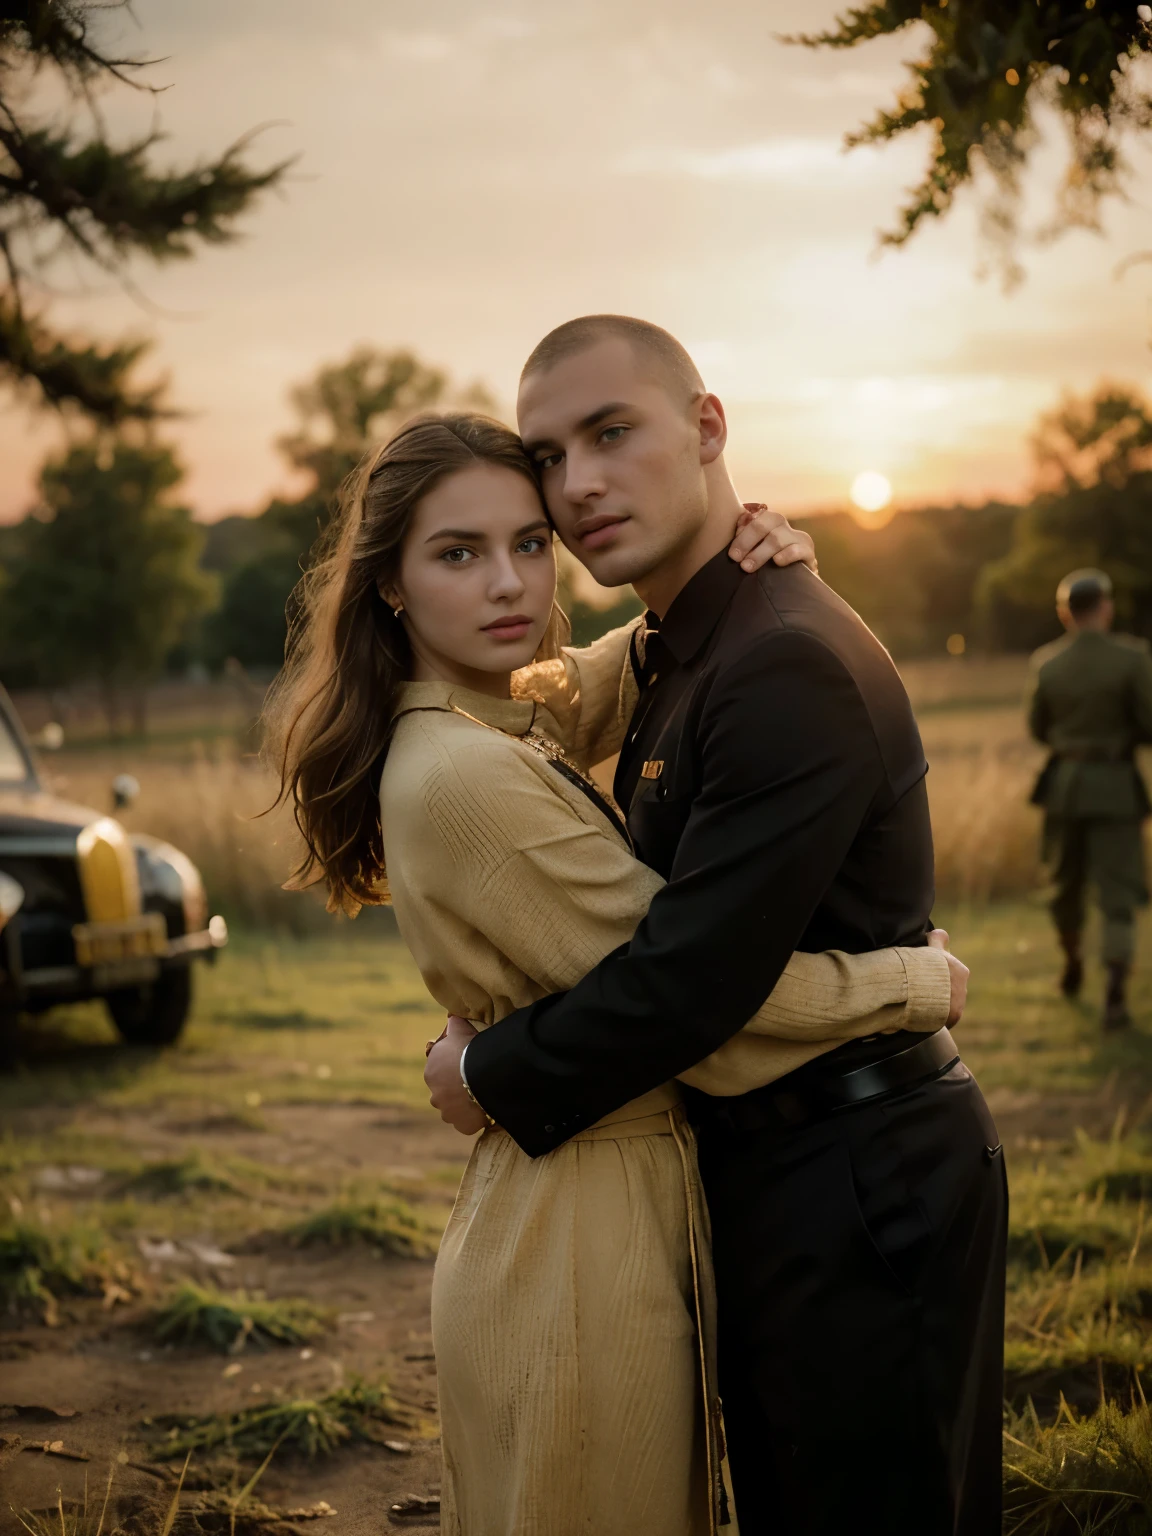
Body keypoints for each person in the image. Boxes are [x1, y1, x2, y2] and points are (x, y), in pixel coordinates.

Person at [267, 410, 966, 1536]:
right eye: (458, 554)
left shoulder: (494, 717)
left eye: (531, 544)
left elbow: (620, 667)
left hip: (593, 1202)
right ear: (389, 585)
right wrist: (912, 985)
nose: (510, 584)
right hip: (576, 1248)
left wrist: (746, 568)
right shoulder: (461, 774)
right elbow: (698, 1005)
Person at [426, 316, 1007, 1536]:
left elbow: (689, 987)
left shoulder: (777, 659)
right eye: (548, 455)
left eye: (611, 431)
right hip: (777, 1174)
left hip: (858, 1188)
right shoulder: (687, 643)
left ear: (707, 427)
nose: (578, 482)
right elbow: (564, 703)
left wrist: (489, 1067)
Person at [1027, 568, 1152, 1028]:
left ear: (1065, 614)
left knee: (1064, 886)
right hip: (1116, 787)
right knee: (1117, 894)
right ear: (1106, 607)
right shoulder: (1132, 658)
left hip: (1064, 788)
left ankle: (1072, 963)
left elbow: (1037, 728)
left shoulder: (1047, 663)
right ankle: (1115, 994)